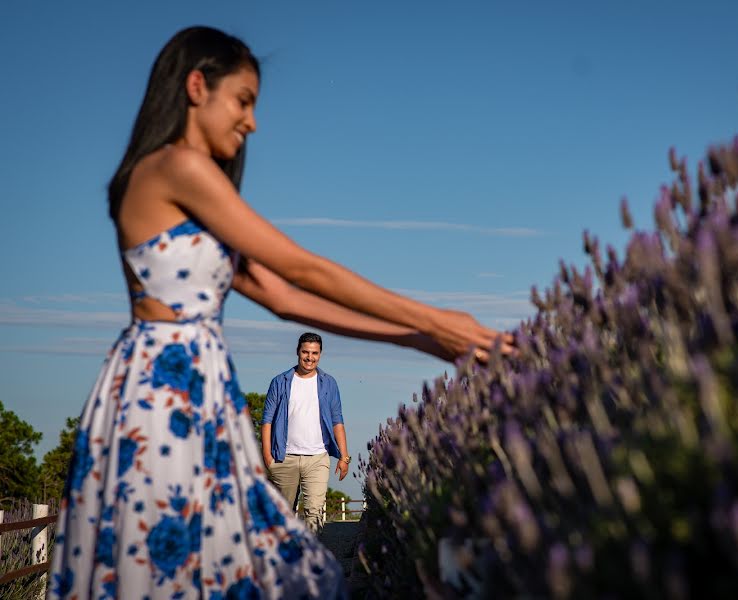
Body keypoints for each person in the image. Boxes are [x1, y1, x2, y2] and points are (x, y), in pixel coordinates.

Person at [47, 25, 511, 600]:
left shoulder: (187, 183)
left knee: (213, 561)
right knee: (180, 558)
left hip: (197, 387)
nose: (252, 122)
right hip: (162, 390)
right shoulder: (177, 168)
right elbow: (298, 267)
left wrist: (415, 337)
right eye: (243, 102)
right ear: (197, 86)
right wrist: (437, 319)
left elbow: (285, 299)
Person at [262, 333, 347, 534]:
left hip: (317, 458)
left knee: (314, 513)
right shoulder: (280, 382)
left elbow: (337, 421)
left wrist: (344, 457)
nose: (310, 357)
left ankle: (310, 559)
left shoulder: (329, 383)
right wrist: (267, 456)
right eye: (305, 352)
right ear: (298, 352)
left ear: (320, 354)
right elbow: (267, 421)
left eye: (314, 353)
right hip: (284, 458)